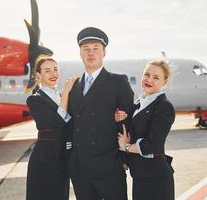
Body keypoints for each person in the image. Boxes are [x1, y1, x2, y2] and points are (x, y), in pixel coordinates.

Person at [67, 27, 134, 200]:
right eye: (86, 49)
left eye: (96, 48)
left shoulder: (118, 82)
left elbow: (128, 121)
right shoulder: (73, 87)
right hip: (81, 170)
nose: (91, 53)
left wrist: (124, 158)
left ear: (104, 52)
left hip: (110, 167)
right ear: (80, 53)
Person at [116, 59, 175, 200]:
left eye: (156, 78)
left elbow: (152, 145)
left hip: (156, 178)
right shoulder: (138, 104)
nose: (149, 80)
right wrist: (117, 117)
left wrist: (126, 146)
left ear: (164, 82)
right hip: (140, 176)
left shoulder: (164, 107)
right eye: (146, 75)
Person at [26, 56, 76, 200]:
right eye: (47, 71)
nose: (54, 74)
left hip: (63, 158)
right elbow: (58, 122)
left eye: (55, 69)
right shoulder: (35, 100)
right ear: (38, 75)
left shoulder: (60, 96)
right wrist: (66, 92)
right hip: (45, 160)